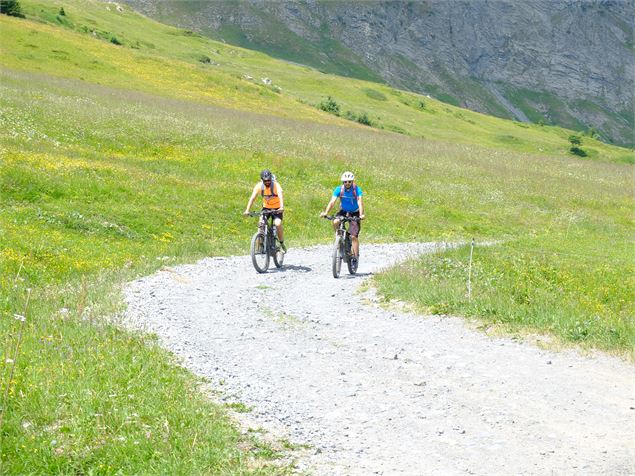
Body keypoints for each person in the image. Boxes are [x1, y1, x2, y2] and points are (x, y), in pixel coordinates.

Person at [320, 171, 365, 265]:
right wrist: (326, 212)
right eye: (345, 181)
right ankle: (340, 239)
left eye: (349, 181)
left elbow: (360, 202)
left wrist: (361, 214)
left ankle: (355, 258)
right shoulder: (339, 189)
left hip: (355, 213)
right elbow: (332, 202)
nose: (347, 183)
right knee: (335, 221)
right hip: (344, 211)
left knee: (353, 236)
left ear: (352, 181)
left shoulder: (356, 189)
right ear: (343, 182)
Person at [244, 169, 286, 252]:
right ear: (262, 180)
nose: (267, 182)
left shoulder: (276, 185)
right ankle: (260, 246)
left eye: (269, 180)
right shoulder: (259, 186)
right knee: (261, 224)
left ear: (271, 179)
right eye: (265, 181)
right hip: (266, 208)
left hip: (277, 209)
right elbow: (252, 198)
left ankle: (281, 243)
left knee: (278, 224)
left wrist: (281, 207)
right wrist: (247, 210)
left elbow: (280, 196)